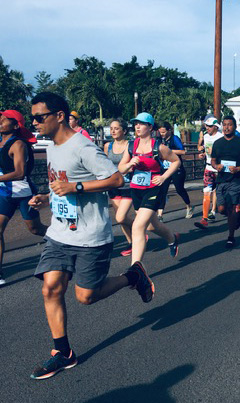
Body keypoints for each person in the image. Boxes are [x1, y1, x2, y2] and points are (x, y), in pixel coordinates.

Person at [27, 92, 153, 380]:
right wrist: (47, 197)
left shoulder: (83, 147)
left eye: (39, 117)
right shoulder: (52, 146)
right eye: (33, 117)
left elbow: (117, 179)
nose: (35, 122)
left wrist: (76, 188)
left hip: (90, 236)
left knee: (86, 297)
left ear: (59, 115)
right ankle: (63, 353)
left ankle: (132, 276)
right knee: (50, 289)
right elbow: (61, 181)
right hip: (60, 233)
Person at [118, 112, 181, 268]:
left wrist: (163, 177)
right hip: (136, 188)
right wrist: (130, 163)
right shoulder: (131, 146)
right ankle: (172, 238)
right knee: (152, 226)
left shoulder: (158, 147)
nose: (137, 126)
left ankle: (136, 268)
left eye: (141, 123)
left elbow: (176, 161)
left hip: (153, 189)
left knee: (138, 226)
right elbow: (121, 168)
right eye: (136, 124)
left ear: (150, 127)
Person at [0, 110, 47, 285]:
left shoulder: (18, 144)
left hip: (23, 193)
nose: (1, 120)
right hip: (4, 193)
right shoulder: (0, 142)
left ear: (15, 125)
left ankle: (64, 240)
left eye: (5, 119)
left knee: (35, 230)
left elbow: (19, 173)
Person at [209, 115, 240, 248]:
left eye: (229, 125)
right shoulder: (218, 143)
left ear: (234, 126)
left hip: (237, 180)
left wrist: (239, 168)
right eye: (224, 125)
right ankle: (237, 216)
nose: (227, 127)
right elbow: (213, 160)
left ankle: (231, 236)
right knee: (222, 209)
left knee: (232, 207)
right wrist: (216, 166)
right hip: (221, 179)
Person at [103, 118, 135, 257]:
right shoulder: (108, 146)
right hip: (113, 185)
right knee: (119, 218)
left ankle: (139, 230)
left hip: (128, 185)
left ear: (124, 131)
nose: (113, 131)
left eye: (116, 128)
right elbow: (104, 164)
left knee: (121, 217)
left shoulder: (131, 145)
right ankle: (132, 243)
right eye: (111, 128)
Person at [156, 121, 193, 220]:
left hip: (176, 168)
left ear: (169, 131)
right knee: (162, 190)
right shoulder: (159, 140)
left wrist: (168, 151)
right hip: (164, 168)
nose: (162, 134)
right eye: (160, 132)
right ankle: (160, 214)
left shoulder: (175, 139)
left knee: (179, 189)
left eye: (163, 132)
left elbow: (182, 151)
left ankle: (188, 206)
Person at [195, 116, 223, 229]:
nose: (207, 128)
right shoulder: (206, 137)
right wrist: (202, 155)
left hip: (219, 169)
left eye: (210, 126)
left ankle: (232, 210)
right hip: (208, 168)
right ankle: (204, 218)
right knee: (206, 192)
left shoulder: (221, 138)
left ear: (216, 127)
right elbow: (205, 151)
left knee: (220, 192)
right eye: (206, 125)